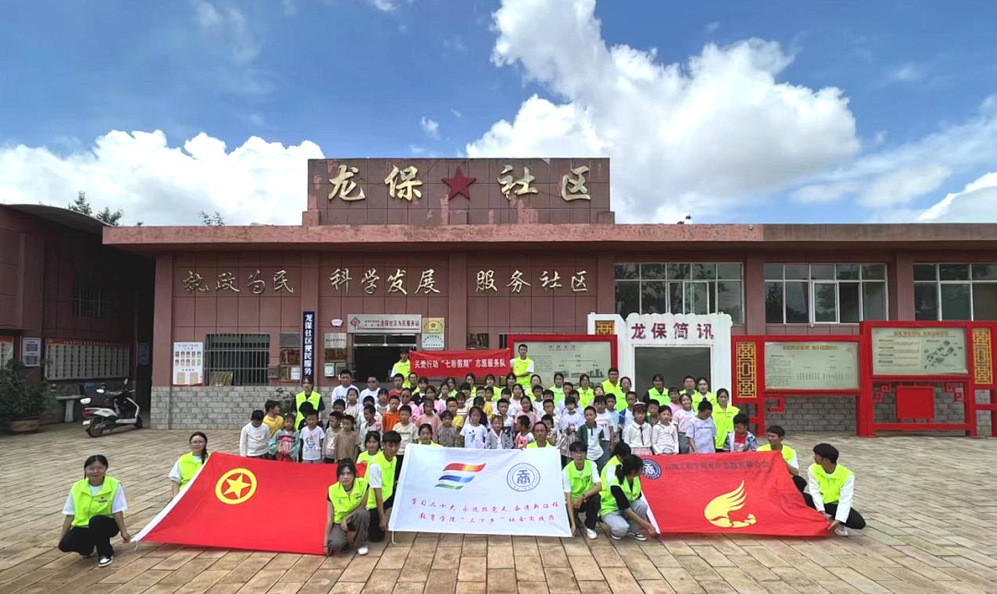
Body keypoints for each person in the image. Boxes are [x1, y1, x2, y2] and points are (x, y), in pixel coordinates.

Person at [59, 455, 131, 567]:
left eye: (99, 468)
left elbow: (117, 511)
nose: (95, 471)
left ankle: (105, 554)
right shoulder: (77, 487)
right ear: (85, 470)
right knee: (65, 545)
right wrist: (62, 537)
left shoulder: (114, 485)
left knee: (96, 521)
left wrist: (123, 531)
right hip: (84, 526)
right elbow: (70, 514)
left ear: (106, 468)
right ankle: (88, 548)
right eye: (91, 468)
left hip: (107, 524)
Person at [805, 443, 866, 536]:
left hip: (835, 505)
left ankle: (836, 522)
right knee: (800, 497)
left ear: (826, 460)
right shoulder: (813, 468)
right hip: (819, 502)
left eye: (817, 456)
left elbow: (845, 499)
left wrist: (838, 520)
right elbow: (814, 491)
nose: (814, 457)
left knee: (859, 522)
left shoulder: (847, 475)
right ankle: (816, 519)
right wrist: (821, 511)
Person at [599, 454, 656, 541]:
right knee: (621, 528)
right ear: (633, 471)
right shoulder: (615, 484)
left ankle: (633, 531)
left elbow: (636, 498)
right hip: (611, 510)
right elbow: (627, 510)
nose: (642, 471)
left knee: (641, 505)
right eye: (640, 469)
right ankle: (617, 531)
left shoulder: (636, 478)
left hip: (626, 507)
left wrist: (646, 524)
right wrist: (648, 526)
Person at [324, 462, 370, 556]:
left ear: (354, 475)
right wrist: (324, 544)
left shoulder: (364, 484)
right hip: (339, 522)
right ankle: (346, 542)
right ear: (338, 476)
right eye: (342, 474)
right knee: (335, 544)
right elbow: (329, 519)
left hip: (355, 517)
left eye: (349, 473)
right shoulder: (332, 490)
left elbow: (362, 506)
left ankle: (361, 544)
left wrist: (346, 518)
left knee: (363, 514)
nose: (345, 477)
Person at [365, 431, 400, 543]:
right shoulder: (375, 464)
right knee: (377, 538)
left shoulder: (394, 459)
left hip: (388, 497)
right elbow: (377, 494)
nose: (393, 449)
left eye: (396, 446)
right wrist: (382, 518)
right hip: (373, 504)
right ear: (383, 444)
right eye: (390, 445)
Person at [562, 442, 601, 539]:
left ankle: (590, 527)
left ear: (586, 454)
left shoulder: (591, 465)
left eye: (582, 452)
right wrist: (572, 524)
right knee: (568, 525)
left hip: (586, 498)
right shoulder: (566, 471)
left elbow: (599, 486)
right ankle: (575, 521)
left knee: (596, 497)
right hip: (572, 502)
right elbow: (568, 497)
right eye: (576, 452)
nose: (579, 455)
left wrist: (582, 496)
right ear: (571, 454)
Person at [759, 425, 806, 491]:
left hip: (784, 481)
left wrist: (782, 460)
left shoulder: (791, 452)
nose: (770, 438)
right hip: (766, 481)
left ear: (781, 438)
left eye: (773, 436)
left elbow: (795, 473)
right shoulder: (760, 450)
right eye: (768, 436)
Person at [169, 432, 209, 497]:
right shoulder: (183, 459)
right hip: (185, 493)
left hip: (205, 493)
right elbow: (175, 480)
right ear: (190, 444)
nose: (197, 444)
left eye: (200, 442)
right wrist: (175, 498)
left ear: (205, 443)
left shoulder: (211, 459)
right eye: (195, 442)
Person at [593, 396, 614, 468]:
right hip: (596, 441)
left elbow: (611, 431)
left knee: (605, 461)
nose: (600, 406)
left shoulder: (608, 416)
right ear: (594, 404)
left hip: (606, 441)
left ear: (605, 405)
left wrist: (611, 444)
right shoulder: (593, 416)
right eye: (598, 404)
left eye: (602, 404)